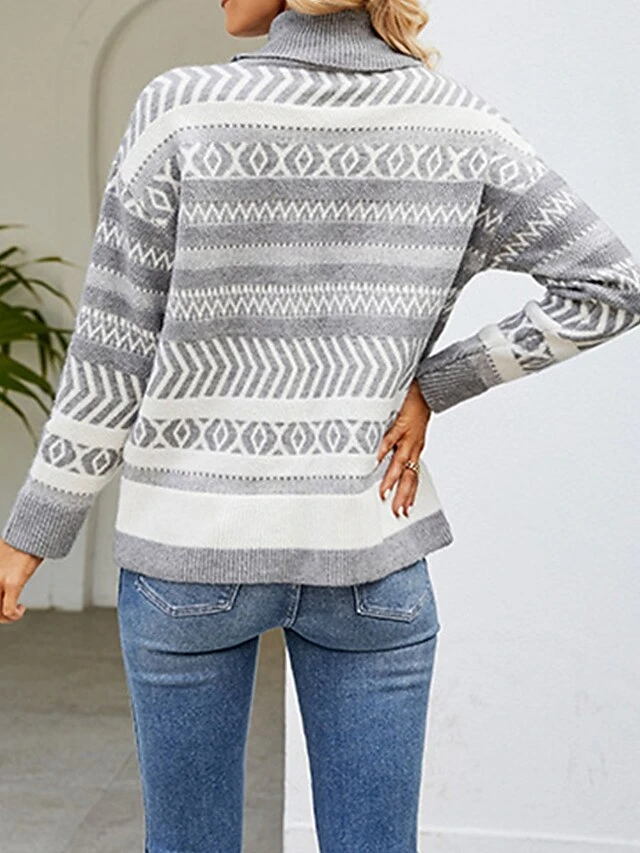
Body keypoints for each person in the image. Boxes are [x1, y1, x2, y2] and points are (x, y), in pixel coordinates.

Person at [1, 1, 639, 850]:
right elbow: (612, 287)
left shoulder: (180, 110)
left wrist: (32, 533)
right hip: (370, 548)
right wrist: (433, 386)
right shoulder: (461, 123)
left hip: (189, 555)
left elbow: (112, 353)